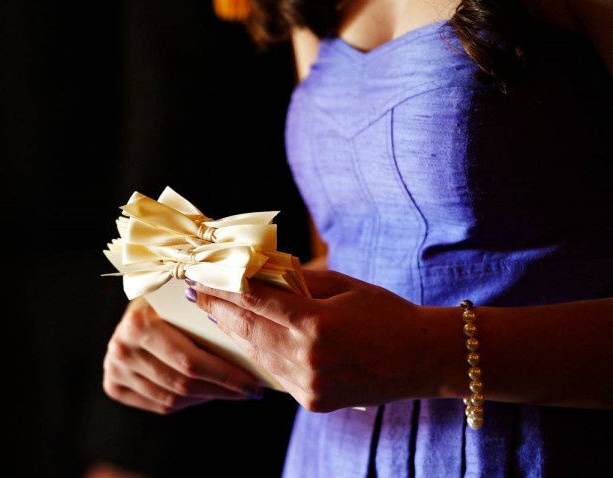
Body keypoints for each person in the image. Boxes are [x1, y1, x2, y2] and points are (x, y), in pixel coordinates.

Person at [102, 0, 613, 476]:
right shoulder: (311, 8)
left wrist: (434, 352)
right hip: (332, 451)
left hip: (532, 444)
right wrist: (191, 316)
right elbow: (347, 256)